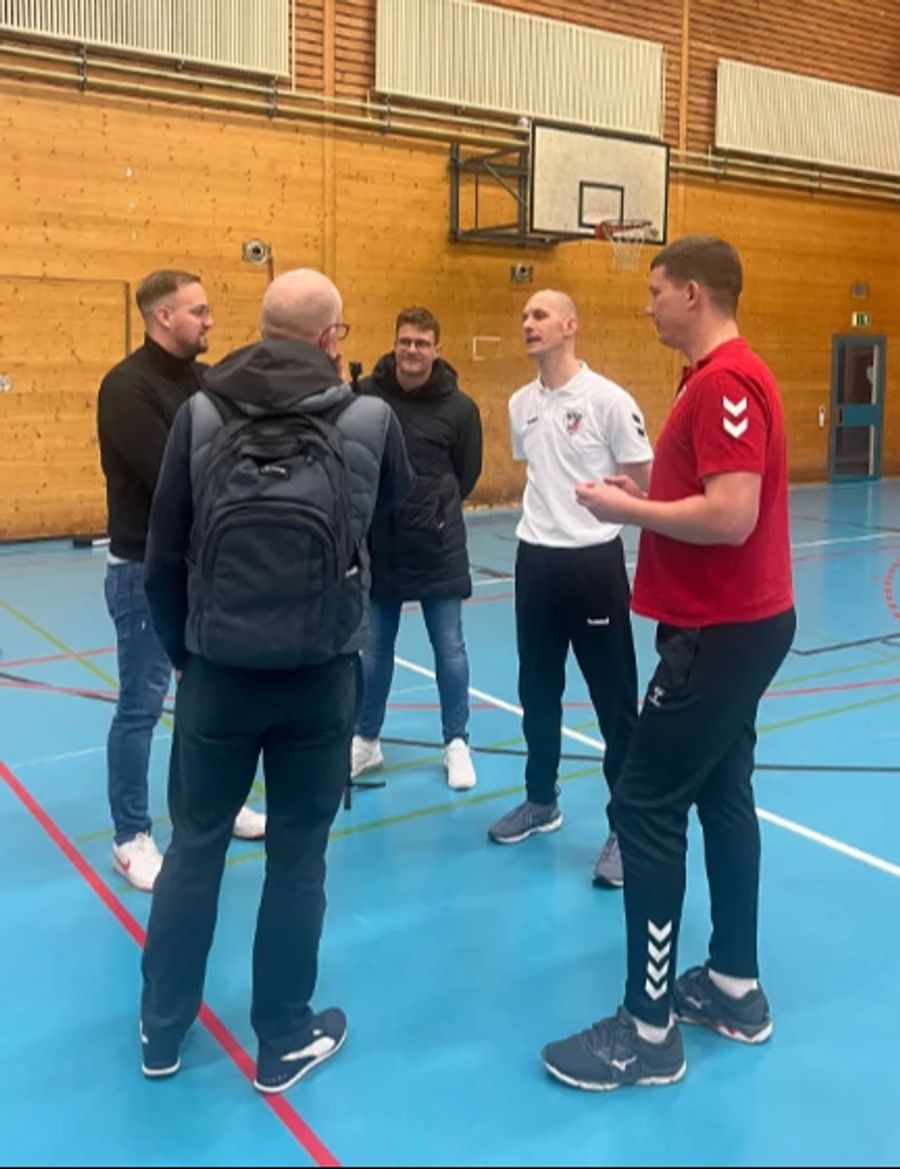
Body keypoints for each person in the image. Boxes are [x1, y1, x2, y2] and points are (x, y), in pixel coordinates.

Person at [139, 268, 412, 1094]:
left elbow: (163, 558)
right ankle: (284, 1038)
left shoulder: (200, 412)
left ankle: (161, 1031)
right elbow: (387, 531)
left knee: (194, 850)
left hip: (218, 672)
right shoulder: (370, 416)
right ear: (333, 339)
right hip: (319, 675)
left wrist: (192, 656)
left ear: (259, 330)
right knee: (299, 859)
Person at [542, 235, 796, 1091]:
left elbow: (730, 515)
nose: (646, 304)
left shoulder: (727, 381)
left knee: (645, 800)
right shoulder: (712, 378)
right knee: (722, 791)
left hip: (720, 630)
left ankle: (648, 1031)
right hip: (733, 624)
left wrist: (629, 505)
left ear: (693, 293)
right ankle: (733, 984)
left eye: (656, 291)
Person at [96, 270, 265, 893]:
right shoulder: (125, 388)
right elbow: (177, 473)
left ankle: (215, 806)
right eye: (198, 311)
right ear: (162, 317)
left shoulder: (204, 380)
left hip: (205, 569)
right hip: (145, 570)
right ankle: (130, 836)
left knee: (209, 700)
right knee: (141, 706)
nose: (209, 321)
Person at [487, 290, 653, 891]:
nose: (527, 324)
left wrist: (612, 504)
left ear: (570, 325)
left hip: (594, 566)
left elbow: (643, 481)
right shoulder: (520, 403)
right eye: (524, 316)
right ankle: (540, 801)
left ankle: (627, 827)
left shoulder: (608, 399)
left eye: (539, 316)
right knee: (537, 690)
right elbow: (538, 472)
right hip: (536, 562)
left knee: (614, 702)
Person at [350, 307, 483, 791]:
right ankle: (366, 740)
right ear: (395, 343)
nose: (412, 351)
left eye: (422, 343)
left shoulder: (460, 409)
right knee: (372, 652)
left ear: (436, 349)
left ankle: (457, 743)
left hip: (437, 547)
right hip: (378, 549)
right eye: (405, 341)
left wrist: (435, 511)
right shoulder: (364, 396)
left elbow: (466, 475)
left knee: (449, 650)